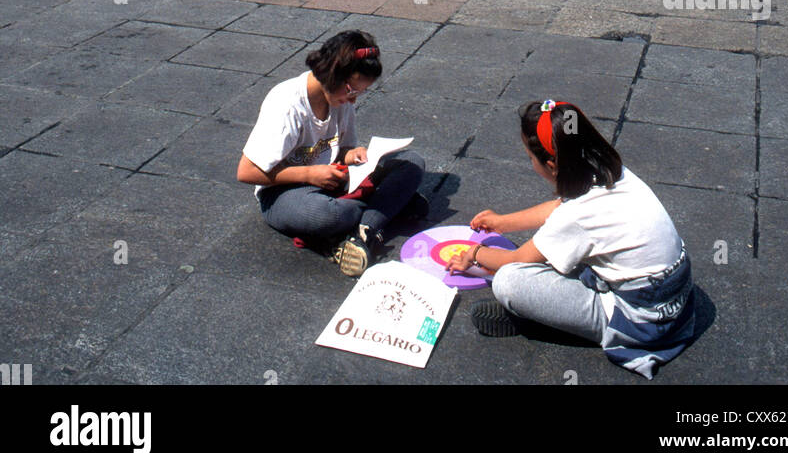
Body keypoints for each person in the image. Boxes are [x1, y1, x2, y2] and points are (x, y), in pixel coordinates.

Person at [445, 99, 695, 379]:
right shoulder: (611, 173)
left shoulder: (578, 215)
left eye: (530, 158)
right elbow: (560, 209)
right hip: (677, 298)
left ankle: (541, 323)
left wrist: (475, 253)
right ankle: (549, 313)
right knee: (560, 253)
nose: (531, 164)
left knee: (509, 281)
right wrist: (503, 222)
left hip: (643, 321)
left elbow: (515, 260)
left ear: (551, 164)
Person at [237, 30, 425, 276]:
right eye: (350, 91)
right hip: (283, 193)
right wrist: (308, 174)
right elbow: (246, 172)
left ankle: (361, 232)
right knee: (326, 215)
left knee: (412, 162)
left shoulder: (339, 99)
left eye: (359, 93)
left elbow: (340, 150)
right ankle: (380, 211)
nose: (353, 100)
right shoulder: (286, 104)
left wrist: (352, 155)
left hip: (332, 180)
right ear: (331, 73)